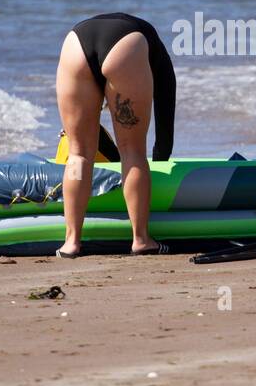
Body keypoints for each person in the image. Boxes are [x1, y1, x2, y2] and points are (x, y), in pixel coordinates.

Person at [55, 13, 176, 258]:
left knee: (77, 154)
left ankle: (71, 243)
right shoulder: (152, 48)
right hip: (126, 45)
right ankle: (141, 240)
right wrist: (161, 156)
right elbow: (166, 104)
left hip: (75, 42)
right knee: (132, 152)